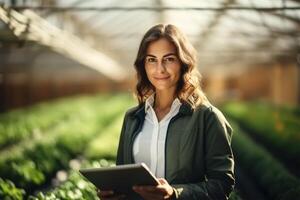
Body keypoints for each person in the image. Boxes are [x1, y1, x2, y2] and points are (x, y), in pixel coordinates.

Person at [98, 24, 235, 200]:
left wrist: (174, 194)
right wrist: (115, 194)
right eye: (152, 60)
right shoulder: (132, 118)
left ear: (183, 63)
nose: (160, 69)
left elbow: (222, 184)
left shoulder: (207, 117)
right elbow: (124, 178)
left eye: (169, 59)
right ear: (143, 66)